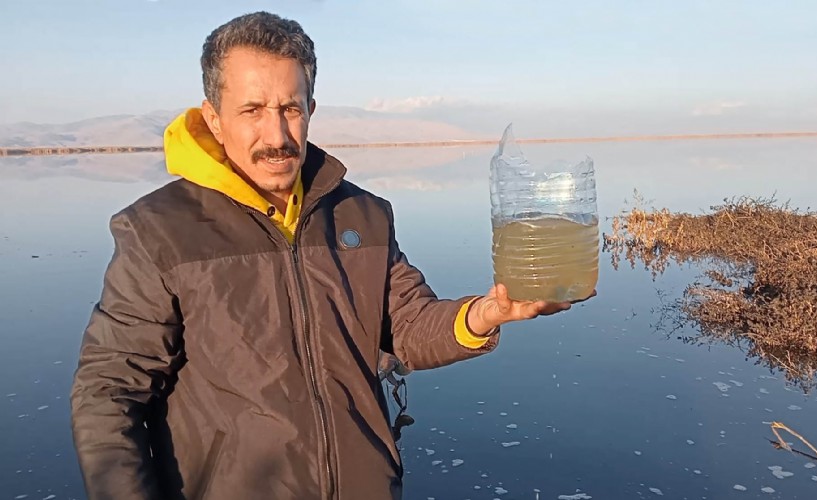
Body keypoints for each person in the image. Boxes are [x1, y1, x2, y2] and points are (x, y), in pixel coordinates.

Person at [70, 11, 592, 500]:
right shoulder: (159, 230)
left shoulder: (362, 216)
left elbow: (407, 327)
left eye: (290, 108)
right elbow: (108, 393)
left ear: (311, 110)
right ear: (213, 116)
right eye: (251, 110)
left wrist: (487, 313)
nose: (276, 135)